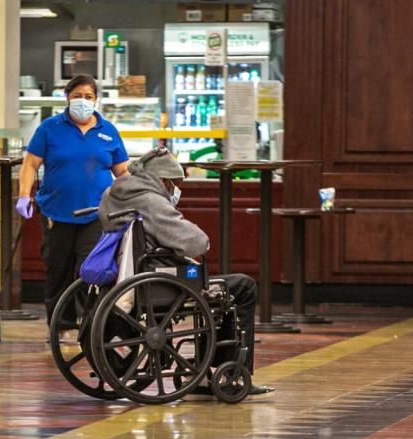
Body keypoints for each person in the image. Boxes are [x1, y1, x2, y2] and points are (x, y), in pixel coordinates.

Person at [97, 148, 275, 395]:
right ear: (161, 179)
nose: (176, 189)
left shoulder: (112, 194)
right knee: (241, 287)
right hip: (158, 281)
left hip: (126, 276)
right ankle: (232, 372)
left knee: (217, 286)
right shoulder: (151, 200)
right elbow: (197, 242)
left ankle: (202, 373)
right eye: (175, 183)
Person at [16, 74, 130, 322]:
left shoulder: (108, 131)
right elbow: (30, 164)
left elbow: (122, 171)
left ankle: (88, 323)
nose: (82, 101)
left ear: (96, 100)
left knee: (90, 270)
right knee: (58, 270)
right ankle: (60, 325)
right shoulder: (50, 128)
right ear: (67, 97)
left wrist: (134, 196)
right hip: (57, 213)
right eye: (77, 96)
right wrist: (24, 195)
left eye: (88, 97)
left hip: (96, 213)